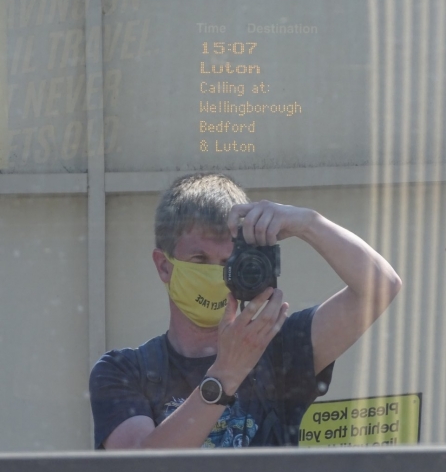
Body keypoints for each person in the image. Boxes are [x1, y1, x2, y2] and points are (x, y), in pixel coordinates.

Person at [89, 172, 401, 449]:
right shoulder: (124, 371)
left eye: (228, 263)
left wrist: (308, 223)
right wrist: (227, 373)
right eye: (199, 260)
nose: (215, 274)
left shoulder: (279, 349)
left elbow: (380, 287)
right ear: (164, 266)